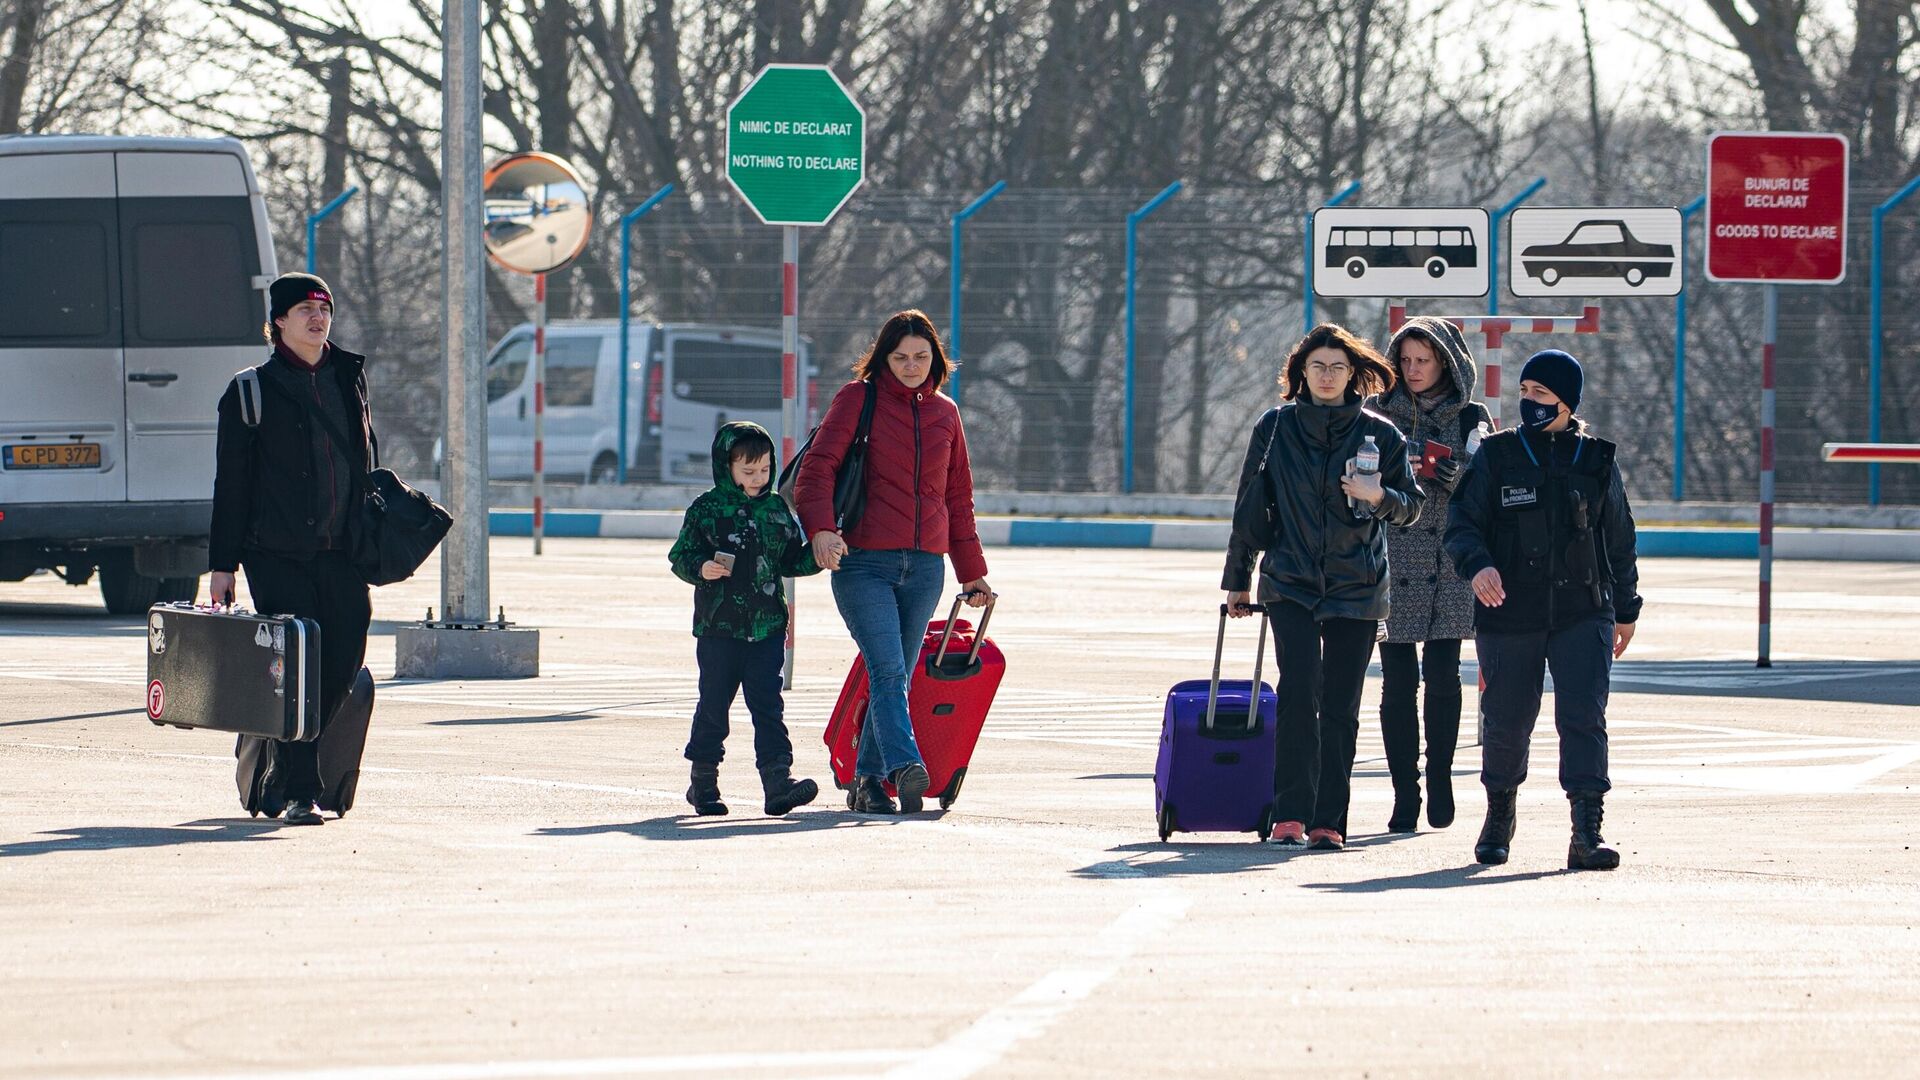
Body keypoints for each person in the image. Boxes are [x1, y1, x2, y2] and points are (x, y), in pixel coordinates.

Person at [1224, 323, 1424, 850]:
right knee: (1297, 694)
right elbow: (1249, 506)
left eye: (1338, 367)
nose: (1328, 376)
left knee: (1340, 704)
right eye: (1318, 367)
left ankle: (1328, 820)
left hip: (1358, 585)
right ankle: (1289, 813)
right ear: (1301, 373)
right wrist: (1237, 582)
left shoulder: (1382, 434)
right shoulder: (1275, 427)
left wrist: (1379, 495)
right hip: (1289, 579)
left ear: (1354, 373)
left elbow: (1412, 507)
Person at [1444, 349, 1642, 871]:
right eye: (1525, 390)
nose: (1528, 400)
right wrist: (1478, 565)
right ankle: (1499, 817)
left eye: (1540, 393)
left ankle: (1586, 832)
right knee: (1507, 722)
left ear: (1566, 402)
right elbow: (1461, 523)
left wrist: (1627, 609)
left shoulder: (1597, 460)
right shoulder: (1497, 454)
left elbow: (1620, 538)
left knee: (1583, 719)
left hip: (1584, 610)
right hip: (1509, 611)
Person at [794, 310, 990, 816]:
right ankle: (904, 766)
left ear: (936, 360)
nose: (910, 365)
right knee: (886, 670)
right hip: (863, 563)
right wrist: (820, 529)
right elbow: (817, 470)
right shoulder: (857, 399)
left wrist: (972, 571)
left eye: (921, 357)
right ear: (883, 357)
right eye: (900, 356)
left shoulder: (946, 413)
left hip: (925, 567)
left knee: (897, 674)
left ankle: (867, 783)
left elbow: (958, 496)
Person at [208, 272, 372, 827]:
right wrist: (222, 565)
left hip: (341, 549)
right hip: (274, 551)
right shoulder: (250, 390)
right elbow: (231, 483)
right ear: (278, 321)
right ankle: (302, 788)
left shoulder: (349, 377)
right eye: (304, 309)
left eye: (323, 308)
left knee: (347, 646)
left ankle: (277, 737)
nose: (317, 317)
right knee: (299, 662)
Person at [1371, 318, 1492, 832]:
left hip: (1449, 562)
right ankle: (1405, 791)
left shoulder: (1471, 416)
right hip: (1390, 560)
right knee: (1396, 685)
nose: (1414, 370)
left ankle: (1440, 777)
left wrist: (1452, 474)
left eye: (1424, 360)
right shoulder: (1376, 412)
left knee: (1443, 677)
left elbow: (1490, 484)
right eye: (1407, 360)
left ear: (1445, 361)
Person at [668, 422, 823, 818]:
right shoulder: (706, 509)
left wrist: (818, 558)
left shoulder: (777, 511)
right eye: (748, 471)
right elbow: (680, 556)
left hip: (768, 630)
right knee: (714, 706)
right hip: (719, 630)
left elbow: (790, 560)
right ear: (727, 467)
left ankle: (777, 783)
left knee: (768, 707)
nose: (758, 479)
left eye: (765, 470)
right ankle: (703, 783)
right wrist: (701, 567)